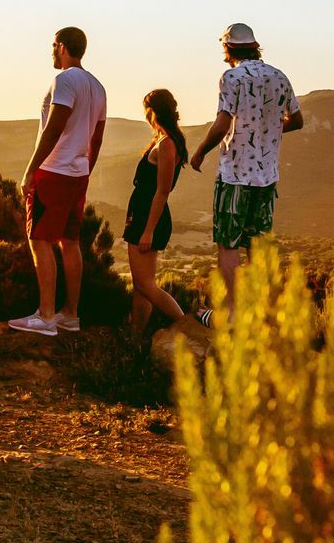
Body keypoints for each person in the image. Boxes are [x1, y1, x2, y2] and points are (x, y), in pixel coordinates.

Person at [187, 23, 302, 323]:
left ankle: (235, 313)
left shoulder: (231, 77)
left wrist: (200, 150)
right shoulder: (280, 77)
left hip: (236, 174)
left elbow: (223, 123)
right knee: (258, 247)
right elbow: (298, 119)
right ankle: (264, 312)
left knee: (228, 244)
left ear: (229, 49)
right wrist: (270, 130)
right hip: (267, 176)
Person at [11, 26, 106, 336]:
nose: (51, 51)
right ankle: (70, 315)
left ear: (63, 47)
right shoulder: (98, 86)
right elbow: (97, 136)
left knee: (39, 239)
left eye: (53, 45)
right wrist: (84, 169)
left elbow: (54, 127)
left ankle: (47, 316)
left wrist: (30, 170)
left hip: (54, 171)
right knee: (70, 241)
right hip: (78, 173)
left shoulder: (64, 81)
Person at [124, 89, 202, 336]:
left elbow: (163, 190)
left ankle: (186, 324)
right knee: (141, 286)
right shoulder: (163, 140)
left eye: (147, 110)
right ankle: (136, 336)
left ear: (154, 111)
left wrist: (148, 230)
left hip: (150, 216)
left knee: (145, 285)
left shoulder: (167, 144)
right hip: (142, 213)